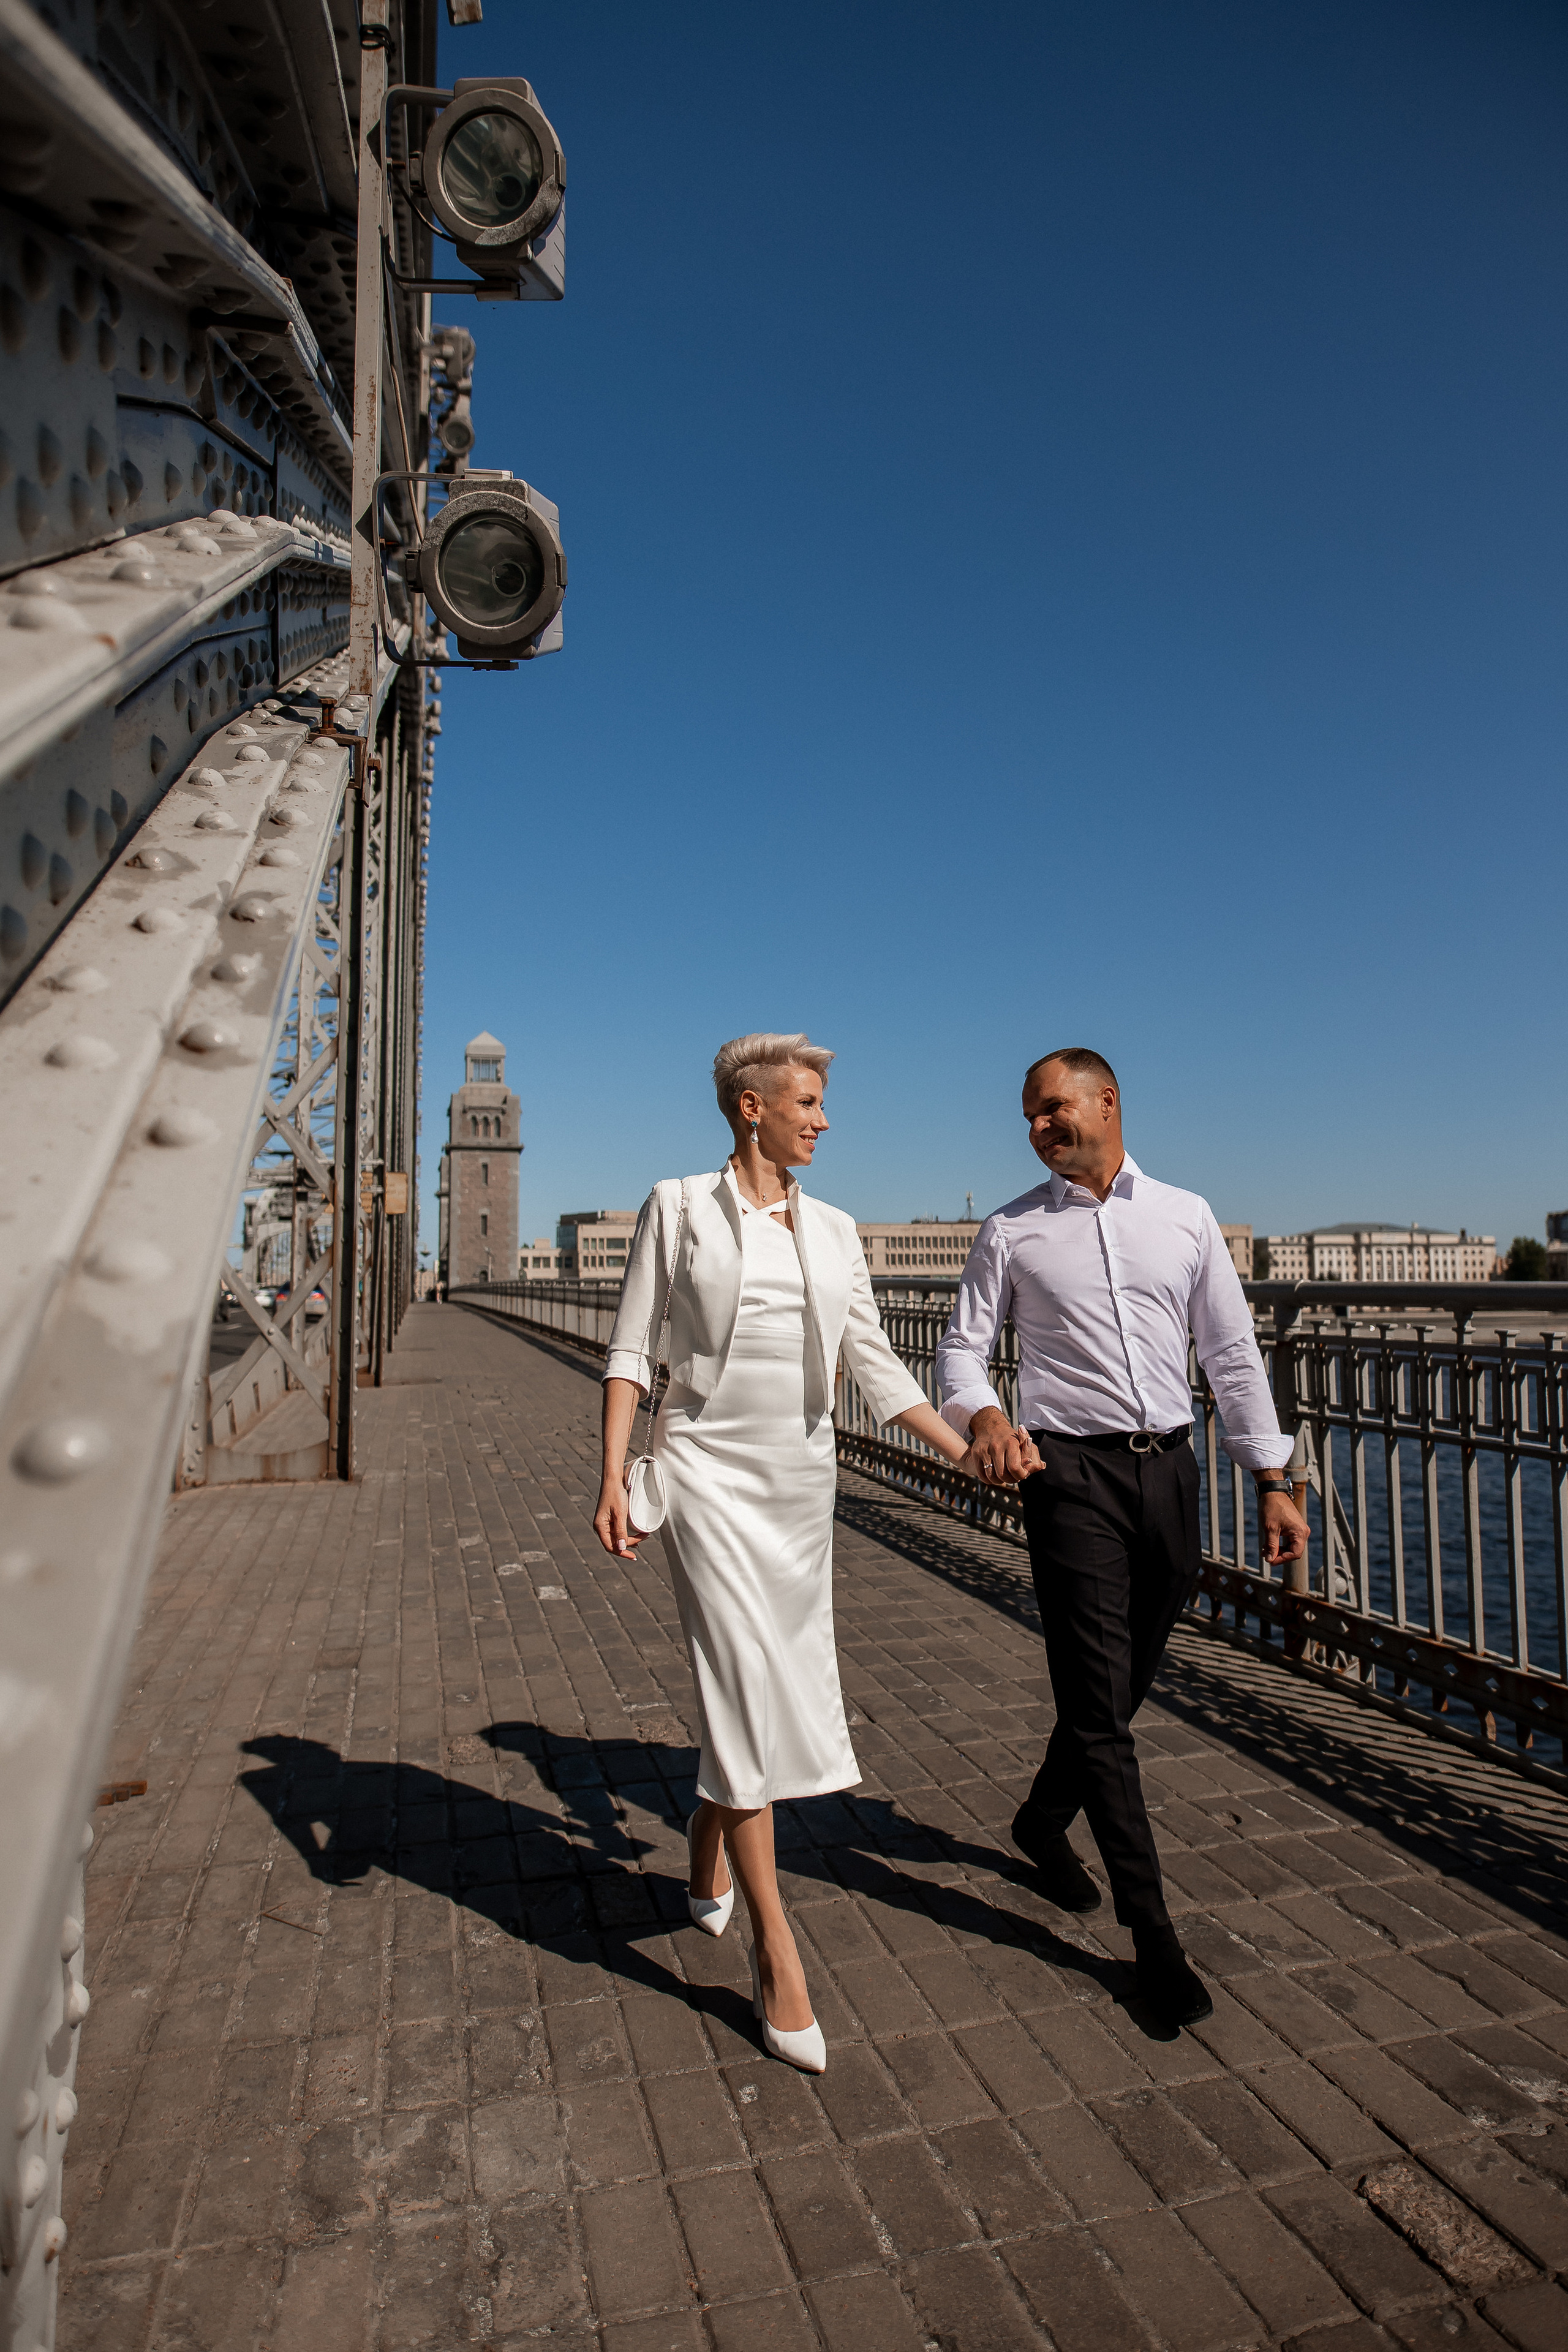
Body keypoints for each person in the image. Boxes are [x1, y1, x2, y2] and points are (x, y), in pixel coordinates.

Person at [594, 1033, 1034, 2073]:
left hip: (797, 1483)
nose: (823, 1118)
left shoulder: (835, 1231)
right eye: (807, 1100)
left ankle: (707, 1851)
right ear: (750, 1108)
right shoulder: (677, 1207)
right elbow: (629, 1349)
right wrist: (612, 1475)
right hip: (702, 1472)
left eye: (825, 1103)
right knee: (745, 1687)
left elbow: (872, 1367)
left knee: (760, 1695)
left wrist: (967, 1445)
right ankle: (775, 1950)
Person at [935, 1048, 1308, 2029]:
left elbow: (1229, 1351)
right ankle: (1154, 1942)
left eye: (1053, 1108)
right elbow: (962, 1348)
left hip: (1169, 1473)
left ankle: (1041, 1819)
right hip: (1067, 1477)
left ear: (1108, 1102)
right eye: (1029, 1116)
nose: (1040, 1127)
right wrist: (984, 1421)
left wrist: (1270, 1478)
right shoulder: (1010, 1229)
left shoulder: (1183, 1216)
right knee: (1100, 1712)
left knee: (1123, 1682)